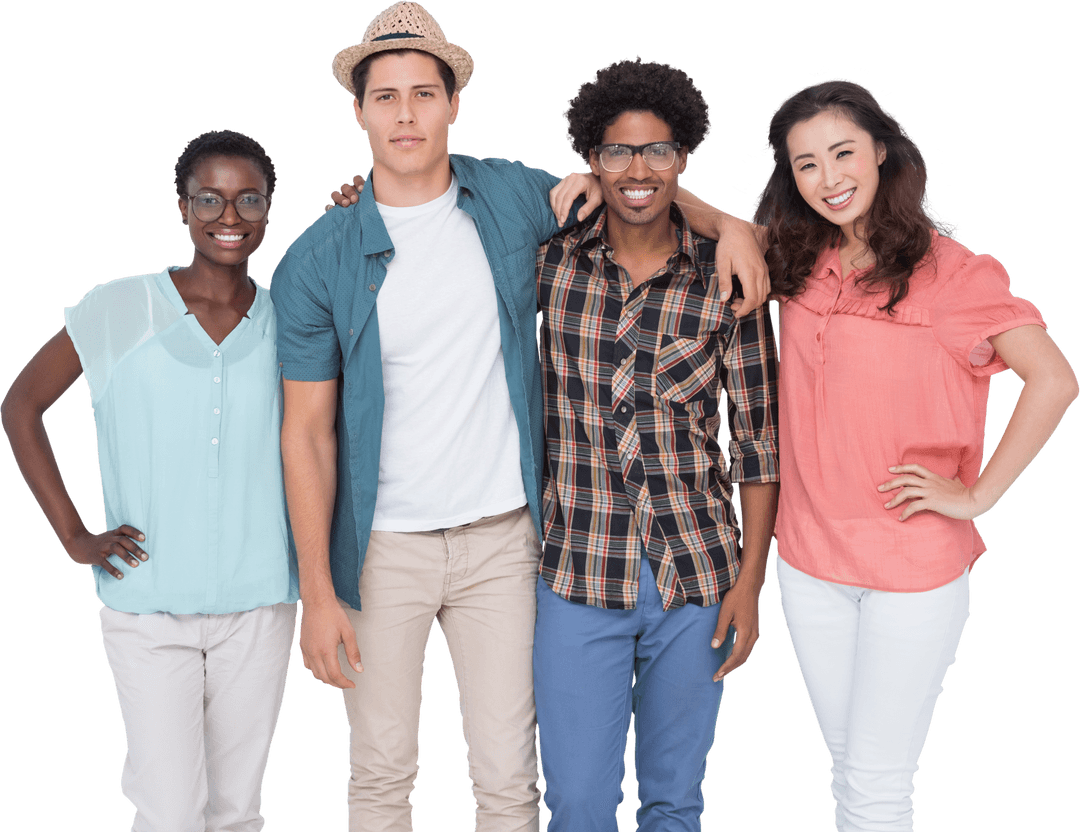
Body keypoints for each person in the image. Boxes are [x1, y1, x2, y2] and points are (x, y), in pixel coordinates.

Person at [277, 4, 768, 830]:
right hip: (382, 548)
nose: (406, 114)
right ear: (357, 110)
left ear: (454, 101)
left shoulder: (516, 197)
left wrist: (735, 226)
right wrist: (317, 595)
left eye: (424, 93)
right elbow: (305, 435)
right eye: (386, 96)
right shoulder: (318, 257)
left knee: (512, 781)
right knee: (381, 773)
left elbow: (638, 192)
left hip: (508, 541)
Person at [752, 78, 1078, 832]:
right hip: (807, 566)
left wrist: (976, 496)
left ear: (882, 152)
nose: (828, 178)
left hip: (910, 575)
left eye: (842, 153)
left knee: (874, 787)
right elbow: (718, 230)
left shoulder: (955, 274)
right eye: (805, 165)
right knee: (856, 777)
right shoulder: (798, 260)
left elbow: (1054, 379)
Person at [0, 129, 298, 832]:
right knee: (169, 809)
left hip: (260, 606)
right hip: (148, 607)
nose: (230, 216)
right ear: (182, 208)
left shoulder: (290, 318)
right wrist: (73, 534)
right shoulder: (119, 308)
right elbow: (22, 406)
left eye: (247, 198)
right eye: (210, 199)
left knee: (236, 811)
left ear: (268, 208)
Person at [530, 59, 779, 832]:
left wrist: (748, 585)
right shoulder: (547, 263)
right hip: (578, 573)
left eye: (658, 151)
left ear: (684, 157)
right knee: (577, 801)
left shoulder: (729, 278)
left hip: (696, 577)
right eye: (617, 152)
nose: (638, 170)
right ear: (591, 160)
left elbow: (759, 445)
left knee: (675, 802)